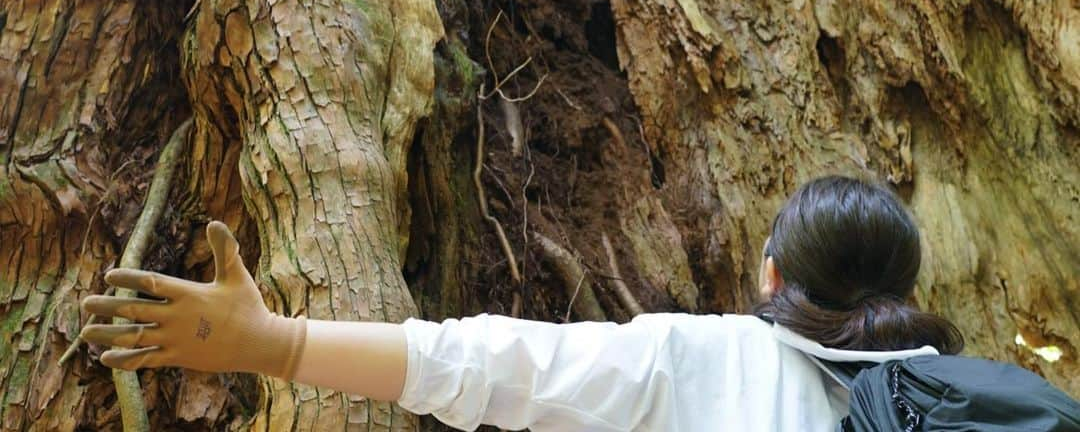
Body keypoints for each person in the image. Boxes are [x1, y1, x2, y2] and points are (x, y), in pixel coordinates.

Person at [80, 175, 963, 430]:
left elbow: (495, 365)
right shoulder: (975, 399)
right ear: (907, 292)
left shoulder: (715, 358)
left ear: (770, 275)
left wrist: (275, 344)